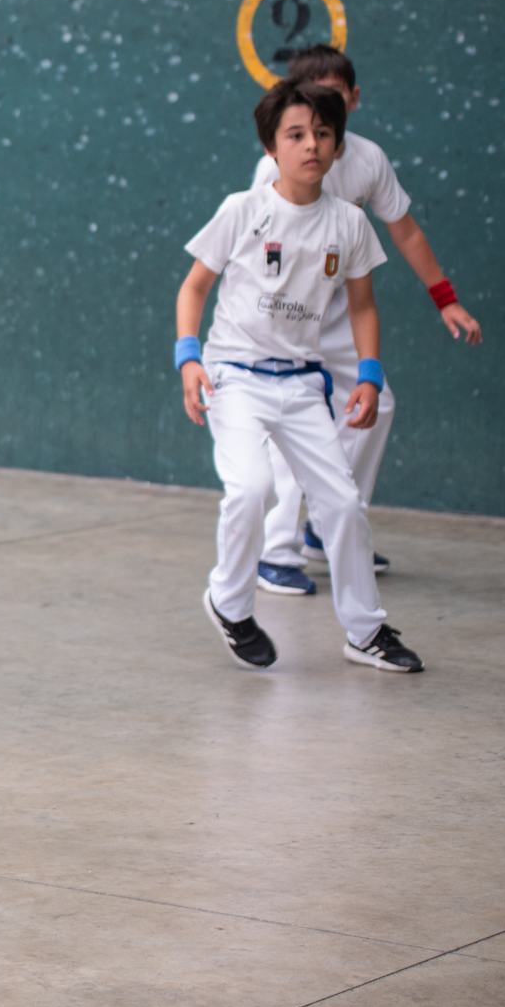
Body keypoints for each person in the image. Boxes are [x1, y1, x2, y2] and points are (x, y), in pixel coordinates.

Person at [176, 77, 423, 673]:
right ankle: (230, 604)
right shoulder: (243, 210)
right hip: (234, 377)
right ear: (271, 148)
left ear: (338, 145)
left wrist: (369, 374)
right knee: (251, 488)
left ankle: (365, 631)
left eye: (323, 133)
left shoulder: (350, 224)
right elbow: (194, 287)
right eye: (295, 134)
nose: (311, 144)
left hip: (303, 384)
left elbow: (362, 307)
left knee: (342, 503)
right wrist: (188, 357)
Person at [249, 45, 482, 596]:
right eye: (313, 100)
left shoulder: (368, 160)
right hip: (282, 319)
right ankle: (275, 552)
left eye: (334, 98)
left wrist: (445, 299)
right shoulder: (275, 165)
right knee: (293, 423)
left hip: (336, 316)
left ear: (354, 99)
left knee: (377, 407)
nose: (322, 115)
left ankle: (327, 526)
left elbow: (405, 230)